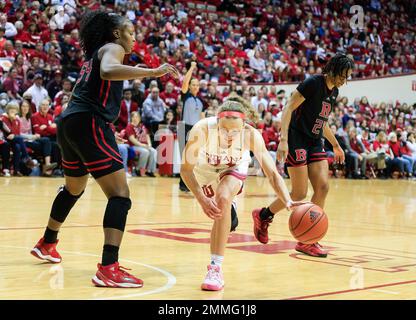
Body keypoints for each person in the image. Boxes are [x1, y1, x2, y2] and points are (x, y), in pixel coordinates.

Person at [30, 11, 179, 288]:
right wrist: (151, 73)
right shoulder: (113, 48)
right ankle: (108, 268)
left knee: (73, 189)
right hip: (89, 121)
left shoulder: (93, 56)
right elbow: (108, 71)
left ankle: (47, 243)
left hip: (69, 122)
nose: (133, 38)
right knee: (120, 196)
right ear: (116, 34)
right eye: (130, 32)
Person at [180, 94, 301, 291]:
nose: (229, 135)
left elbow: (272, 173)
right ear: (217, 123)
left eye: (234, 132)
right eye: (224, 130)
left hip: (233, 167)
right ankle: (230, 212)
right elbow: (185, 170)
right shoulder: (201, 129)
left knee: (223, 199)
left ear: (243, 127)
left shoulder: (251, 135)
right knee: (227, 217)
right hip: (204, 172)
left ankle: (215, 269)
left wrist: (286, 199)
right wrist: (201, 199)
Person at [252, 53, 354, 258]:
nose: (345, 80)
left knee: (323, 187)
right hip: (297, 137)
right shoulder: (313, 83)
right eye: (343, 75)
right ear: (333, 70)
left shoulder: (333, 92)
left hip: (315, 141)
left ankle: (308, 240)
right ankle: (263, 215)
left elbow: (321, 121)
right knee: (299, 193)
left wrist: (336, 145)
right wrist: (283, 140)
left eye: (347, 76)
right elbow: (288, 107)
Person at [178, 61, 204, 192]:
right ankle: (182, 184)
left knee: (194, 158)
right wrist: (192, 67)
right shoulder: (185, 96)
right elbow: (184, 83)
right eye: (193, 84)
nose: (195, 86)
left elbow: (203, 118)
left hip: (196, 129)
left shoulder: (201, 100)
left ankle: (191, 184)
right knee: (185, 157)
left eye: (197, 85)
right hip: (184, 128)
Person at [125, 111, 157, 177]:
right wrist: (143, 145)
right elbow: (132, 139)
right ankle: (138, 169)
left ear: (139, 118)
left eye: (137, 117)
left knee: (154, 151)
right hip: (133, 146)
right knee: (145, 152)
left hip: (144, 145)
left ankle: (149, 171)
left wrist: (149, 144)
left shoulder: (142, 126)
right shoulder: (129, 127)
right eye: (134, 117)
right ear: (131, 118)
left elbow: (147, 135)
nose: (135, 118)